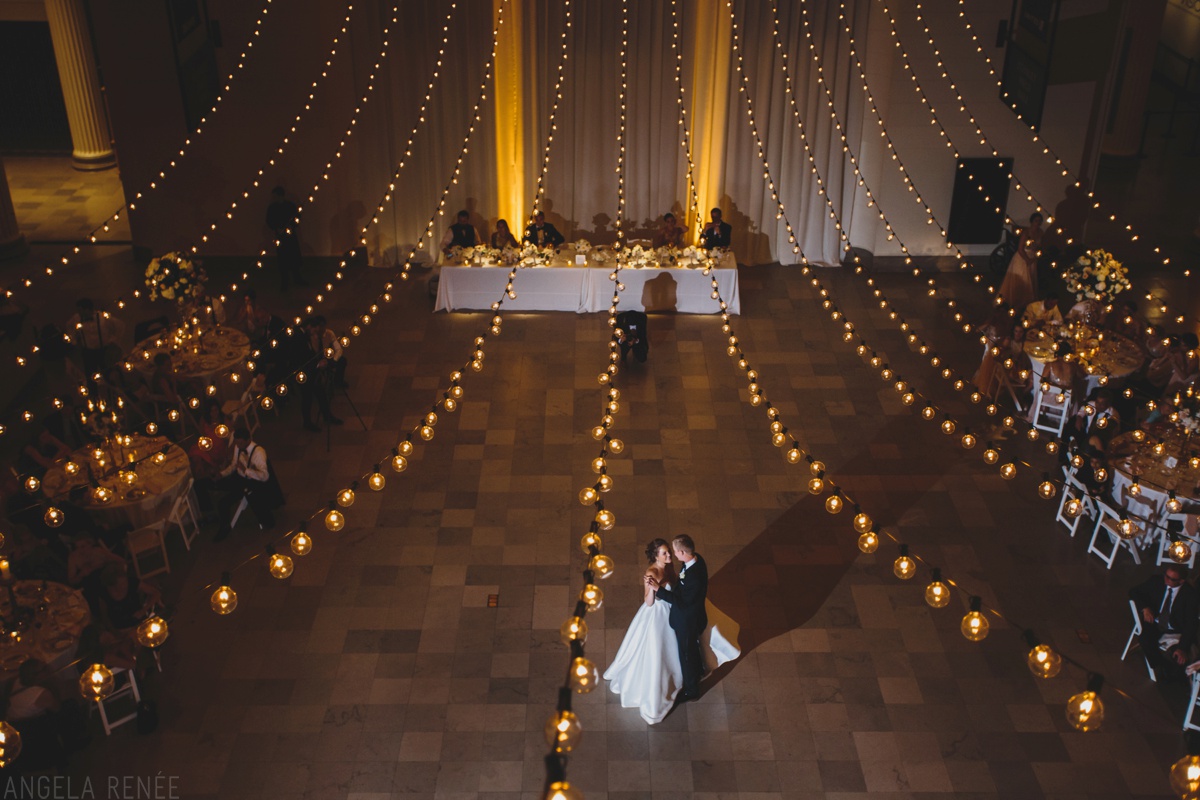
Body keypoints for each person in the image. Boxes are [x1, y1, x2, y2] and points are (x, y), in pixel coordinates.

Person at [603, 538, 739, 724]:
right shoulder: (652, 572)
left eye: (670, 551)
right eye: (665, 553)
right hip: (660, 613)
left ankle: (691, 680)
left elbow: (678, 586)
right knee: (663, 650)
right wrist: (652, 588)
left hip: (679, 611)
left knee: (684, 648)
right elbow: (649, 602)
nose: (670, 555)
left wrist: (662, 588)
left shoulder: (674, 567)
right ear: (656, 556)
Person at [1130, 565, 1198, 681]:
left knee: (1180, 657)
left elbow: (1190, 624)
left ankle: (1176, 675)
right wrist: (1145, 608)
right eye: (1165, 576)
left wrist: (1181, 648)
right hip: (1155, 622)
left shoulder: (1190, 595)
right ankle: (1161, 666)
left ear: (1181, 581)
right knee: (1145, 640)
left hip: (1175, 629)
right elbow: (1134, 591)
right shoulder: (1157, 581)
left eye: (1170, 579)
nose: (1166, 580)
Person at [213, 427, 284, 540]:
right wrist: (223, 474)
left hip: (253, 482)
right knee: (215, 485)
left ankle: (225, 527)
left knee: (224, 502)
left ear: (248, 440)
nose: (238, 446)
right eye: (236, 443)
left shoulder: (259, 452)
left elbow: (265, 476)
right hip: (239, 478)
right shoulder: (238, 446)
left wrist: (246, 470)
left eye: (240, 443)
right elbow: (234, 464)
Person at [65, 298, 124, 378]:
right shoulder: (76, 318)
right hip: (88, 352)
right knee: (91, 376)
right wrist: (73, 340)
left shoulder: (102, 318)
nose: (79, 313)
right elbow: (69, 325)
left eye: (80, 310)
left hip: (103, 351)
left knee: (110, 374)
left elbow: (119, 325)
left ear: (87, 309)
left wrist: (113, 340)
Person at [998, 211, 1043, 311]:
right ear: (1032, 221)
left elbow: (1040, 246)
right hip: (1022, 258)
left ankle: (1027, 303)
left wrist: (1036, 256)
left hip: (1033, 257)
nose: (1038, 223)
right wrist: (1028, 260)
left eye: (1040, 221)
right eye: (1036, 221)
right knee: (1021, 280)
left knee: (1031, 280)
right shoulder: (1026, 233)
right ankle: (1016, 302)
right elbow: (1020, 249)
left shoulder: (1040, 232)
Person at [266, 186, 305, 290]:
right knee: (282, 259)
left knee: (294, 257)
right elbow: (269, 220)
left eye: (274, 196)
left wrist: (290, 227)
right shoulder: (272, 208)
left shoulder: (290, 206)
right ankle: (285, 281)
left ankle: (297, 278)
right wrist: (276, 228)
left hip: (290, 236)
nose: (273, 198)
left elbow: (297, 218)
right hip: (280, 237)